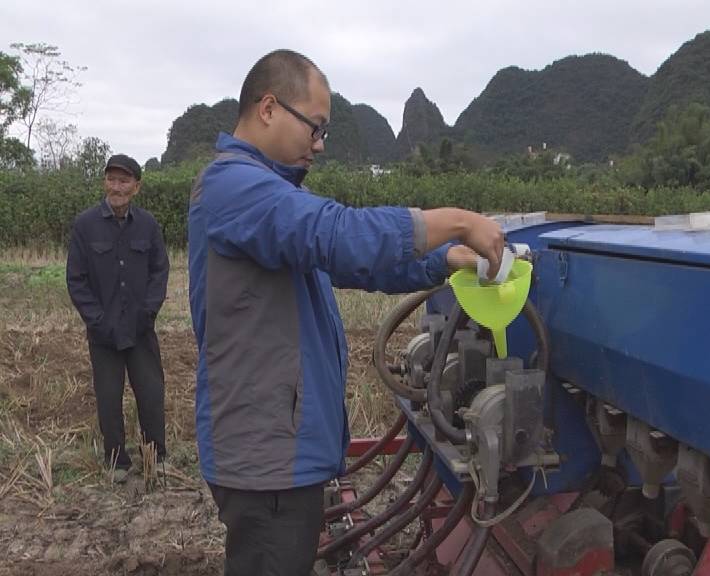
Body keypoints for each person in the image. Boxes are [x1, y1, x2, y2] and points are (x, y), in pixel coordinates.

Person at [187, 49, 504, 576]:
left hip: (280, 450)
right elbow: (338, 234)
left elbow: (353, 262)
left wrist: (442, 260)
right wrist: (454, 222)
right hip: (267, 459)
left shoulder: (266, 195)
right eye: (314, 127)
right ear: (268, 108)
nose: (319, 144)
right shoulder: (233, 187)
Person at [67, 154, 170, 482]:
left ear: (136, 187)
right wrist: (97, 320)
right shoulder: (85, 225)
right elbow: (76, 280)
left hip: (140, 330)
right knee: (109, 399)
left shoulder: (148, 225)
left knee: (151, 393)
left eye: (124, 180)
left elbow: (159, 271)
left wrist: (149, 312)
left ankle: (157, 457)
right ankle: (117, 463)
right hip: (103, 333)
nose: (117, 186)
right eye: (112, 179)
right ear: (104, 183)